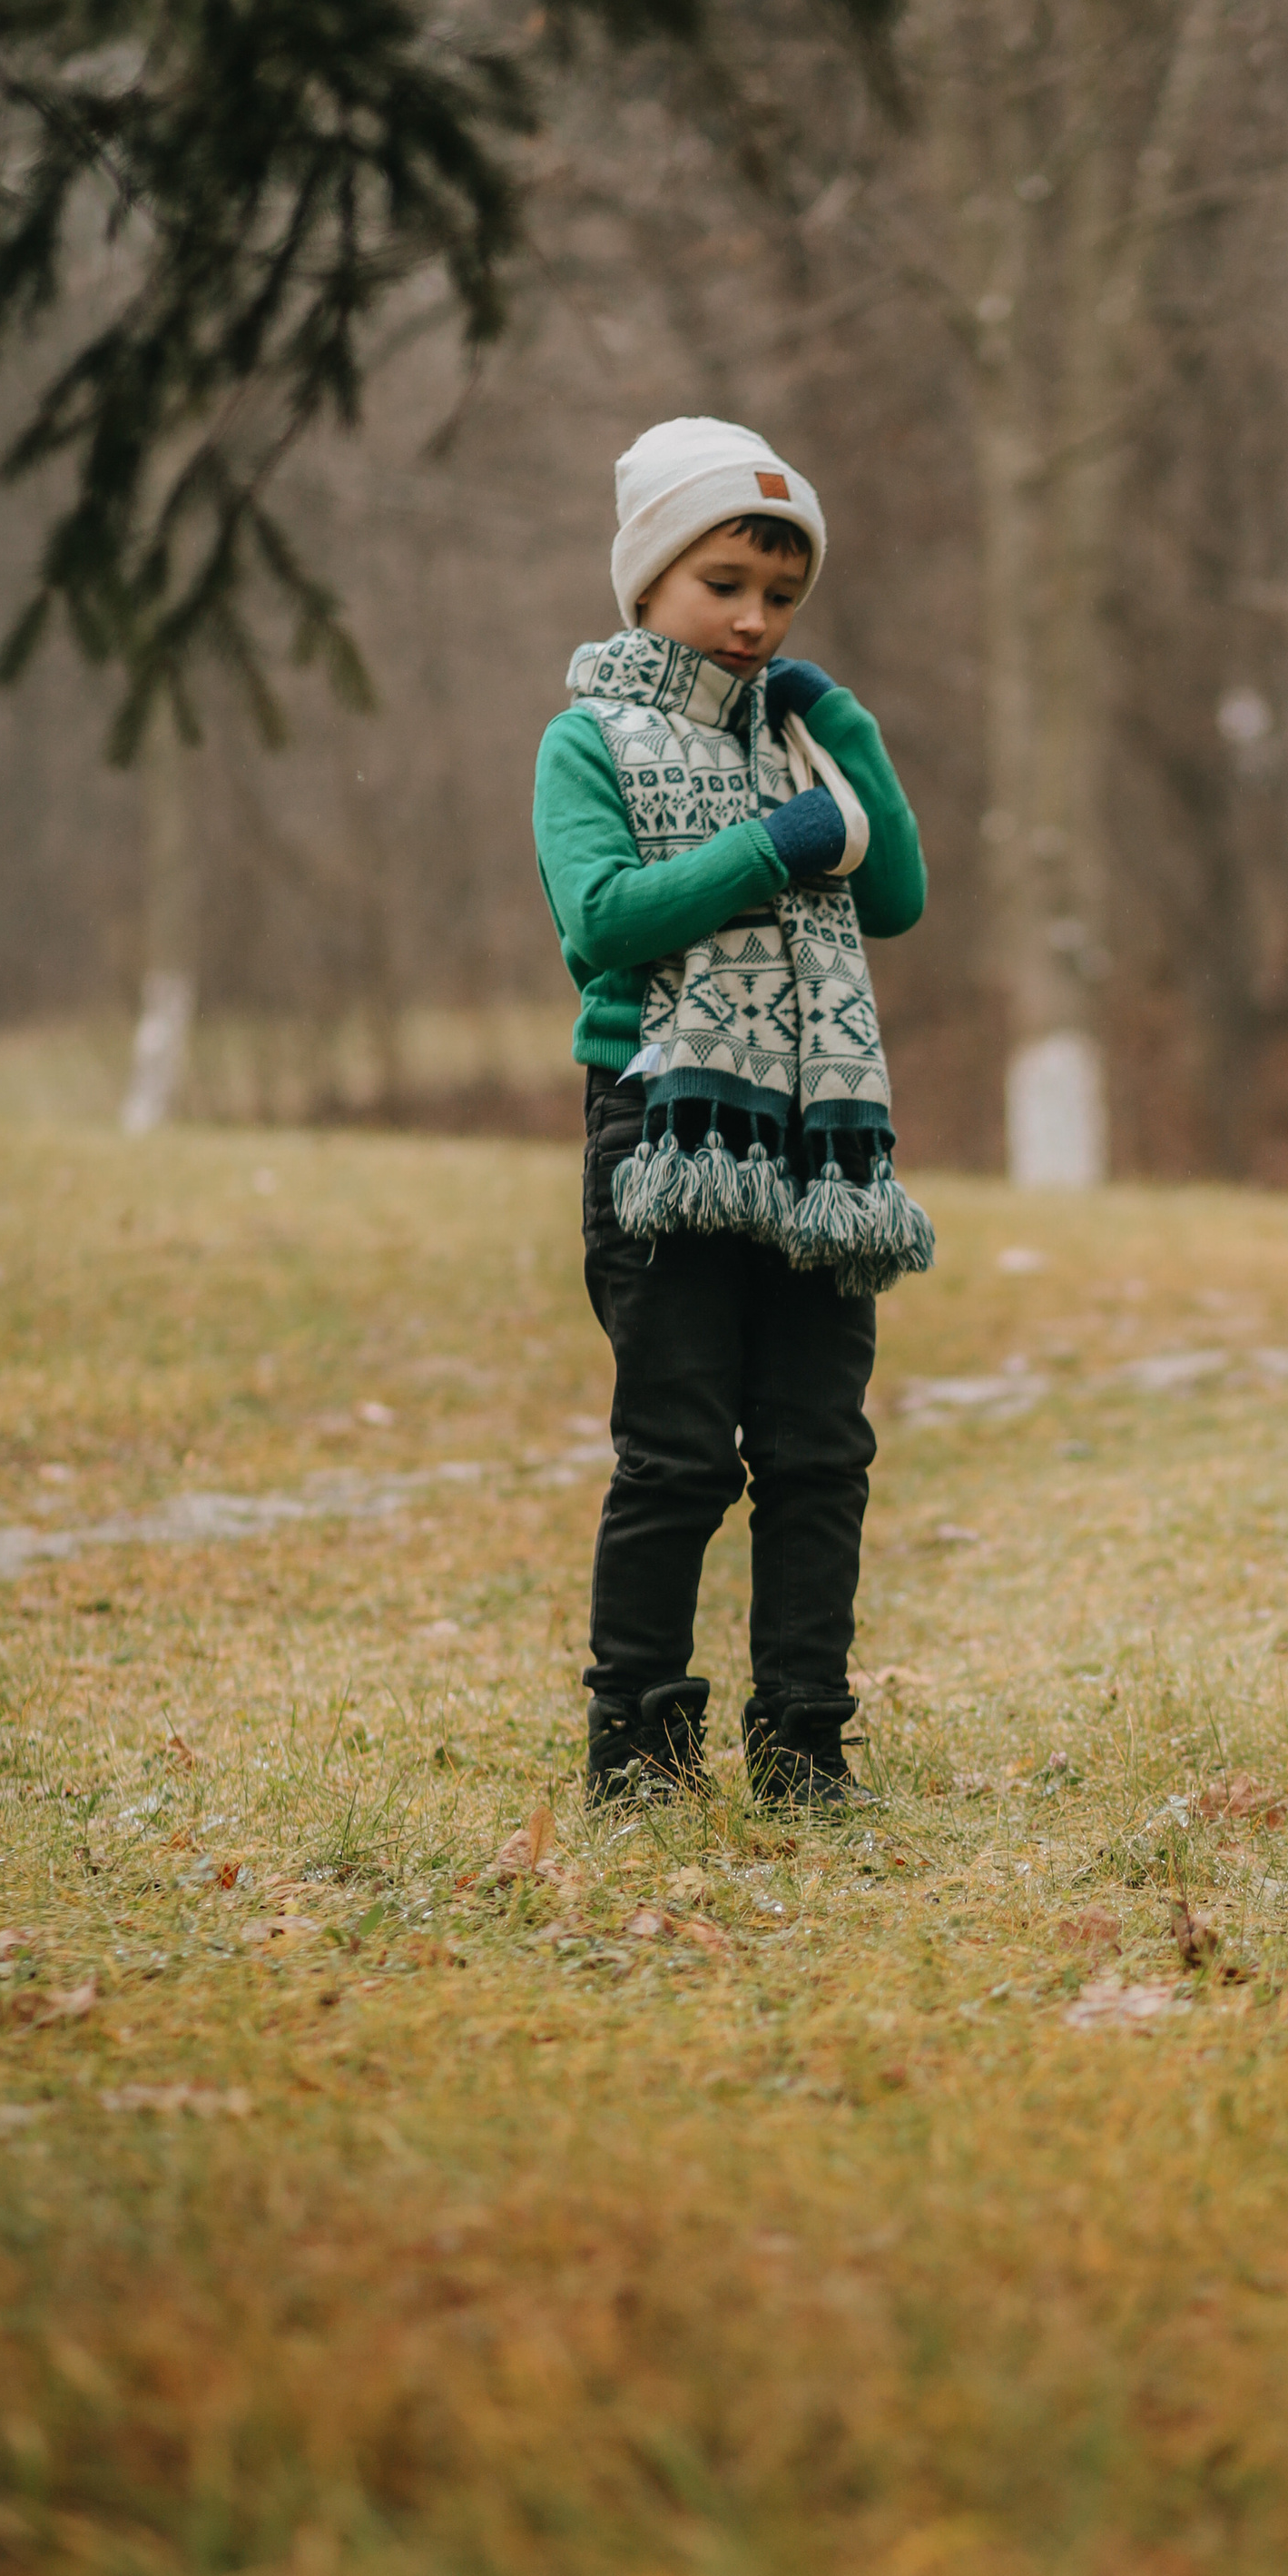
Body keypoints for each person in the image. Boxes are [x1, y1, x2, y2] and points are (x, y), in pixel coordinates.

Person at [533, 416, 930, 1810]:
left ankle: (805, 1747)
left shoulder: (808, 735)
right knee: (682, 1452)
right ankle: (637, 1748)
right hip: (662, 1136)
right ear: (646, 581)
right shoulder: (588, 741)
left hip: (819, 1142)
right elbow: (603, 924)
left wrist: (847, 733)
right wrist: (768, 845)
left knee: (820, 1451)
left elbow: (896, 897)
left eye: (780, 596)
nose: (754, 621)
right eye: (725, 587)